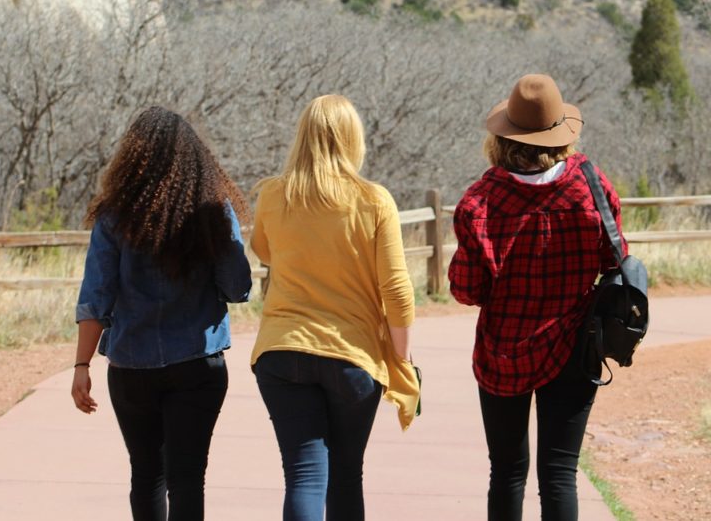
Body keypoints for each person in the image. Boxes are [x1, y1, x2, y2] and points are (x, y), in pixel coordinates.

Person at [448, 73, 623, 521]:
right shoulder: (590, 185)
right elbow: (615, 256)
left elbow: (467, 291)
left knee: (506, 471)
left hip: (502, 351)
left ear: (504, 136)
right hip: (574, 345)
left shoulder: (480, 202)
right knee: (559, 471)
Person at [71, 106, 252, 521]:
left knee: (146, 475)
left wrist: (81, 364)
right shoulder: (213, 210)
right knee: (188, 478)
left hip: (132, 367)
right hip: (197, 363)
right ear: (196, 158)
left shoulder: (114, 216)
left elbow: (96, 295)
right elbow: (237, 287)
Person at [249, 94, 418, 521]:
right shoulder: (374, 200)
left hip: (281, 351)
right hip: (352, 357)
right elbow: (397, 289)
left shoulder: (273, 194)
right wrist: (402, 359)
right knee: (346, 474)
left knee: (303, 475)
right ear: (352, 139)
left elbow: (263, 251)